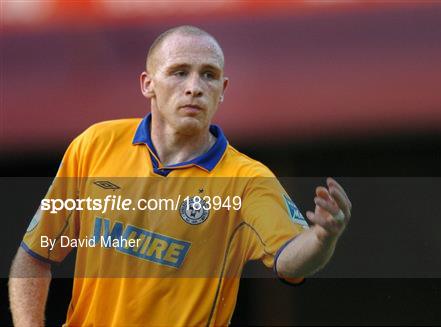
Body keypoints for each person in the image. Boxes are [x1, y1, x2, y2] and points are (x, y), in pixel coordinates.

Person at [8, 25, 352, 326]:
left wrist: (322, 238)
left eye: (208, 75)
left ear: (223, 89)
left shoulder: (246, 179)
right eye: (179, 72)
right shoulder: (94, 145)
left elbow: (290, 261)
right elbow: (34, 257)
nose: (194, 87)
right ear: (148, 84)